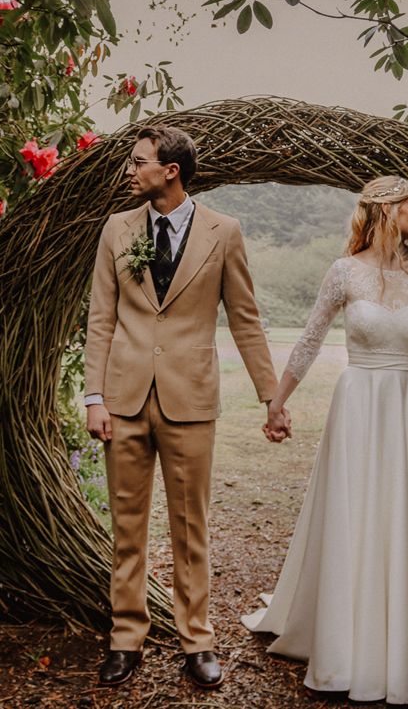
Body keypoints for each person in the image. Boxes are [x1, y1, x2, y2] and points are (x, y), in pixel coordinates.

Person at [84, 125, 290, 688]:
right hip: (124, 400)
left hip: (191, 401)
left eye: (138, 161)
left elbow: (244, 317)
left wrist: (271, 396)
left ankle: (195, 640)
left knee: (189, 527)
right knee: (128, 527)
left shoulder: (225, 232)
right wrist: (94, 396)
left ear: (170, 170)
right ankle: (125, 638)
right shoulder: (116, 229)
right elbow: (101, 317)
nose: (129, 170)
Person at [243, 176, 408, 704]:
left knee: (399, 517)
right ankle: (344, 650)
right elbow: (312, 337)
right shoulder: (344, 271)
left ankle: (398, 649)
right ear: (386, 211)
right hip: (359, 406)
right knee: (355, 514)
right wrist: (278, 399)